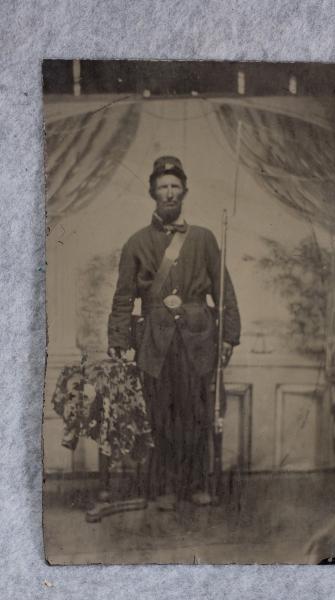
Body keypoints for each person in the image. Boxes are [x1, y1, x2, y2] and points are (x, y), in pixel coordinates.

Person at [108, 156, 241, 510]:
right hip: (154, 340)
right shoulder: (136, 243)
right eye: (162, 187)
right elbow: (123, 298)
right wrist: (119, 341)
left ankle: (196, 485)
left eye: (175, 187)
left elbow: (224, 290)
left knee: (197, 414)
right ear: (152, 191)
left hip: (198, 339)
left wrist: (228, 335)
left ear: (184, 192)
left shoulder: (204, 239)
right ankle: (165, 487)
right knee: (160, 416)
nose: (169, 193)